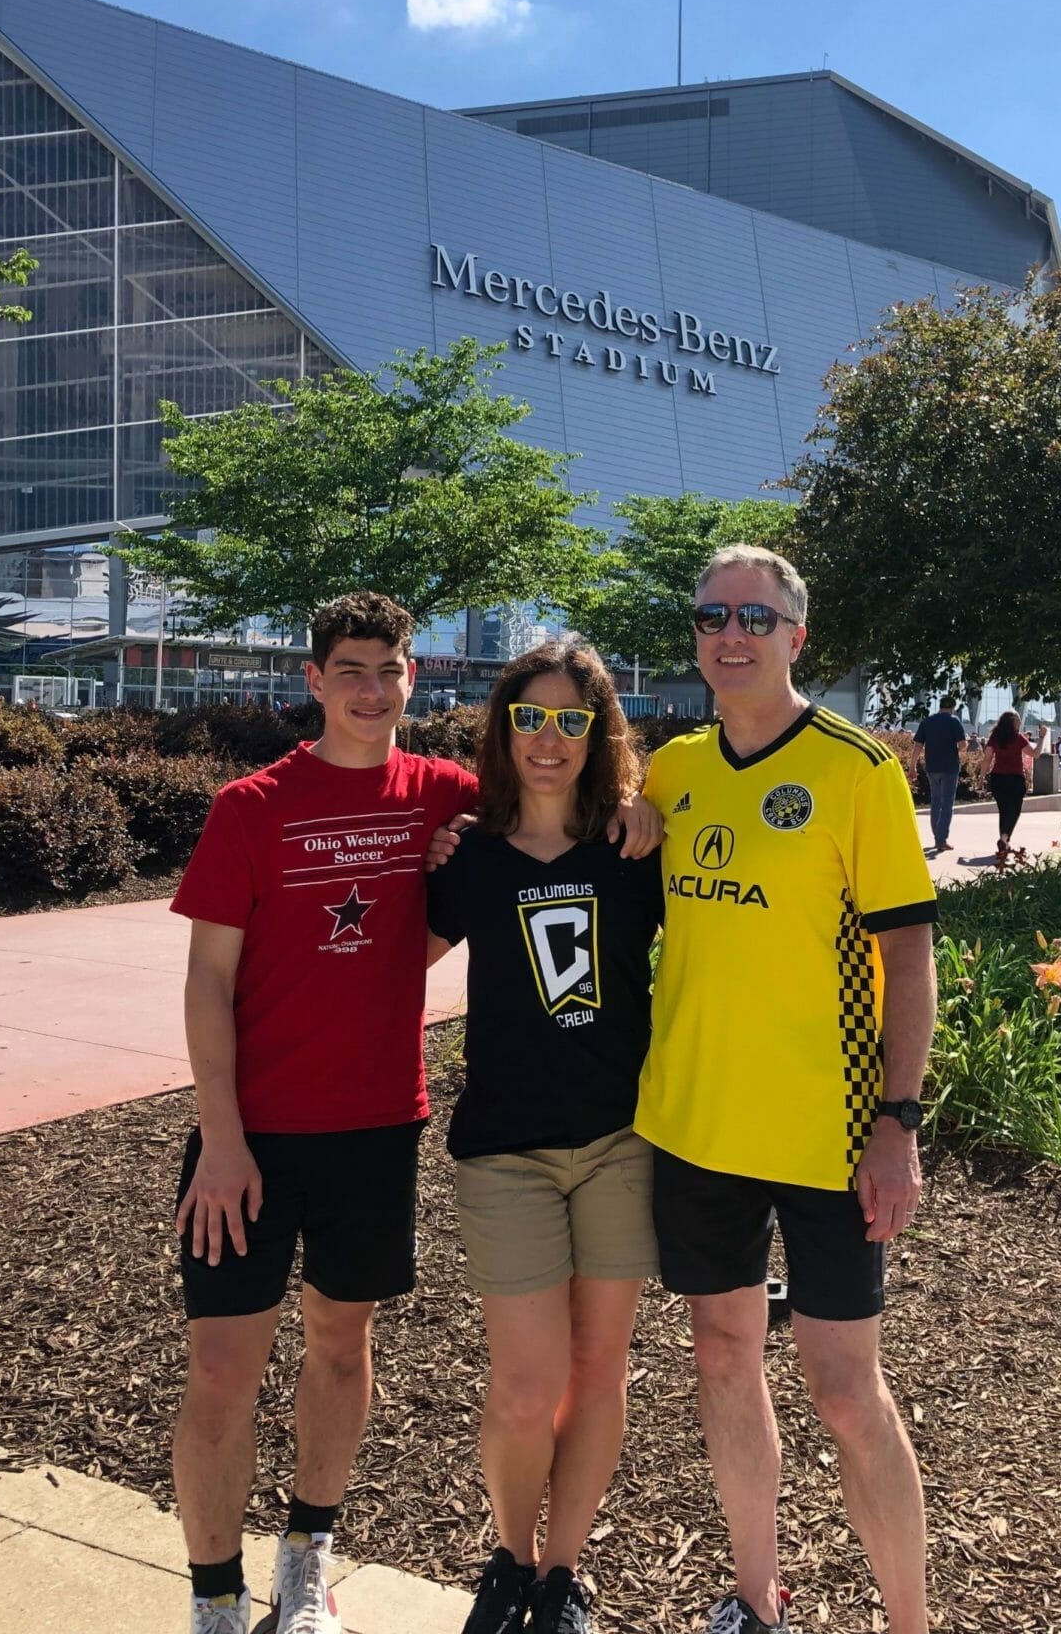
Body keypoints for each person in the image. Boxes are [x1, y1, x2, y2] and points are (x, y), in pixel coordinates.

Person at [169, 591, 660, 1634]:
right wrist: (219, 1136)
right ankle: (215, 1598)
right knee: (221, 1368)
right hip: (247, 1135)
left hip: (375, 1126)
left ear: (410, 681)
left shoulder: (445, 802)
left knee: (341, 1349)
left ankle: (306, 1560)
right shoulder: (251, 807)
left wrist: (642, 802)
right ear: (311, 680)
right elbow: (206, 981)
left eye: (385, 669)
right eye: (346, 668)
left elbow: (566, 779)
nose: (365, 687)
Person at [636, 544, 938, 1634]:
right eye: (712, 615)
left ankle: (908, 1621)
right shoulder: (669, 770)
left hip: (828, 1134)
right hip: (692, 1128)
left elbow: (908, 959)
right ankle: (754, 1599)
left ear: (795, 636)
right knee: (721, 1354)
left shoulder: (856, 771)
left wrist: (896, 1126)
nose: (730, 634)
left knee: (844, 1391)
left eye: (754, 618)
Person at [427, 643, 663, 1634]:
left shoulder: (629, 851)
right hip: (506, 1153)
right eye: (532, 718)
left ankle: (561, 1574)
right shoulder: (468, 857)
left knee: (598, 1372)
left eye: (572, 721)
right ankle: (510, 1557)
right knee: (526, 1389)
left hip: (617, 1142)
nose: (549, 740)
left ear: (596, 734)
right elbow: (380, 967)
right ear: (503, 728)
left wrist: (651, 810)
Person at [911, 695, 967, 854]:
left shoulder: (928, 722)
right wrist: (956, 750)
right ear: (953, 707)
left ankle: (937, 835)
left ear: (940, 705)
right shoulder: (954, 721)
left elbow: (917, 745)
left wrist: (912, 765)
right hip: (949, 767)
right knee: (947, 803)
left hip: (932, 767)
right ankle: (941, 840)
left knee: (935, 801)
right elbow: (963, 745)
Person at [981, 711, 1035, 854]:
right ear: (1012, 722)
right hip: (1015, 778)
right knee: (1014, 810)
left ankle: (1004, 841)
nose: (1020, 722)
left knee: (1003, 810)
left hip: (998, 778)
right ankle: (1004, 838)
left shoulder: (995, 737)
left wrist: (981, 777)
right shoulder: (1018, 738)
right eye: (1018, 719)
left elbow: (987, 759)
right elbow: (1035, 754)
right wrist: (1041, 738)